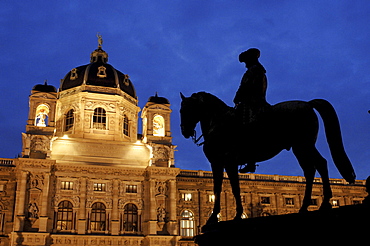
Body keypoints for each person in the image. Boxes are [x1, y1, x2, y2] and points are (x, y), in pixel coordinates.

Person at [234, 48, 270, 173]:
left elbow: (245, 87)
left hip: (253, 104)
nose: (245, 65)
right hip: (255, 102)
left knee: (244, 129)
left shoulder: (253, 71)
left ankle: (250, 162)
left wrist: (238, 97)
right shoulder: (258, 71)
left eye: (246, 62)